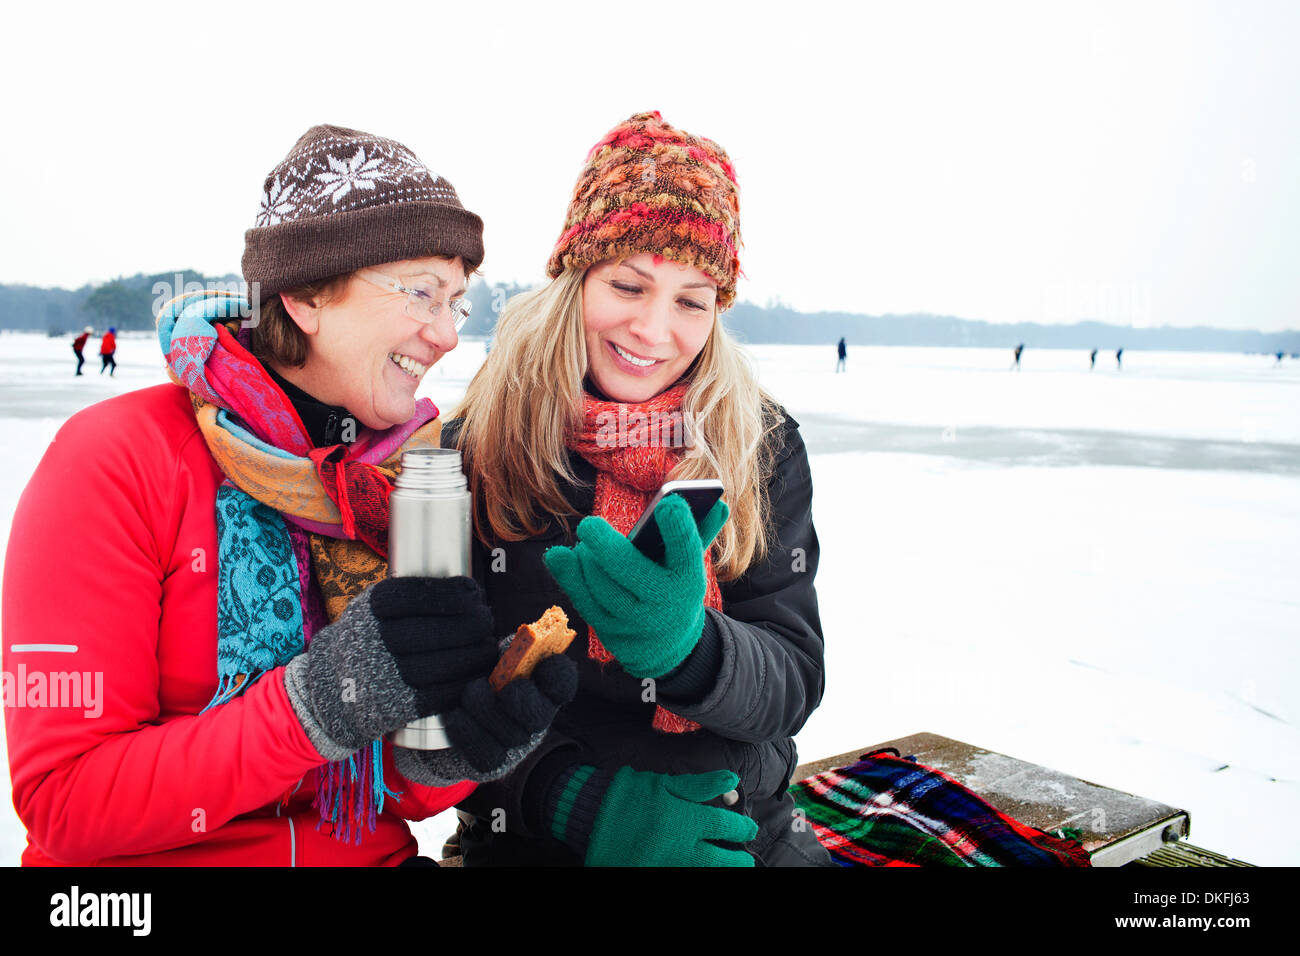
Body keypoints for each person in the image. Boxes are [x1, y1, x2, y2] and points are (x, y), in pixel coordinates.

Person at [3, 124, 574, 866]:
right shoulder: (117, 459)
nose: (444, 335)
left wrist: (455, 749)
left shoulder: (403, 482)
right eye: (421, 293)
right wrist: (318, 702)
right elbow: (67, 807)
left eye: (458, 303)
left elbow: (388, 793)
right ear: (306, 295)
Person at [442, 112, 830, 867]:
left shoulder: (757, 442)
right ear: (574, 279)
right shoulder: (479, 447)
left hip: (743, 828)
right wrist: (580, 805)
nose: (655, 329)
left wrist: (691, 650)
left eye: (692, 300)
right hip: (538, 842)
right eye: (629, 284)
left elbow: (793, 679)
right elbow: (437, 705)